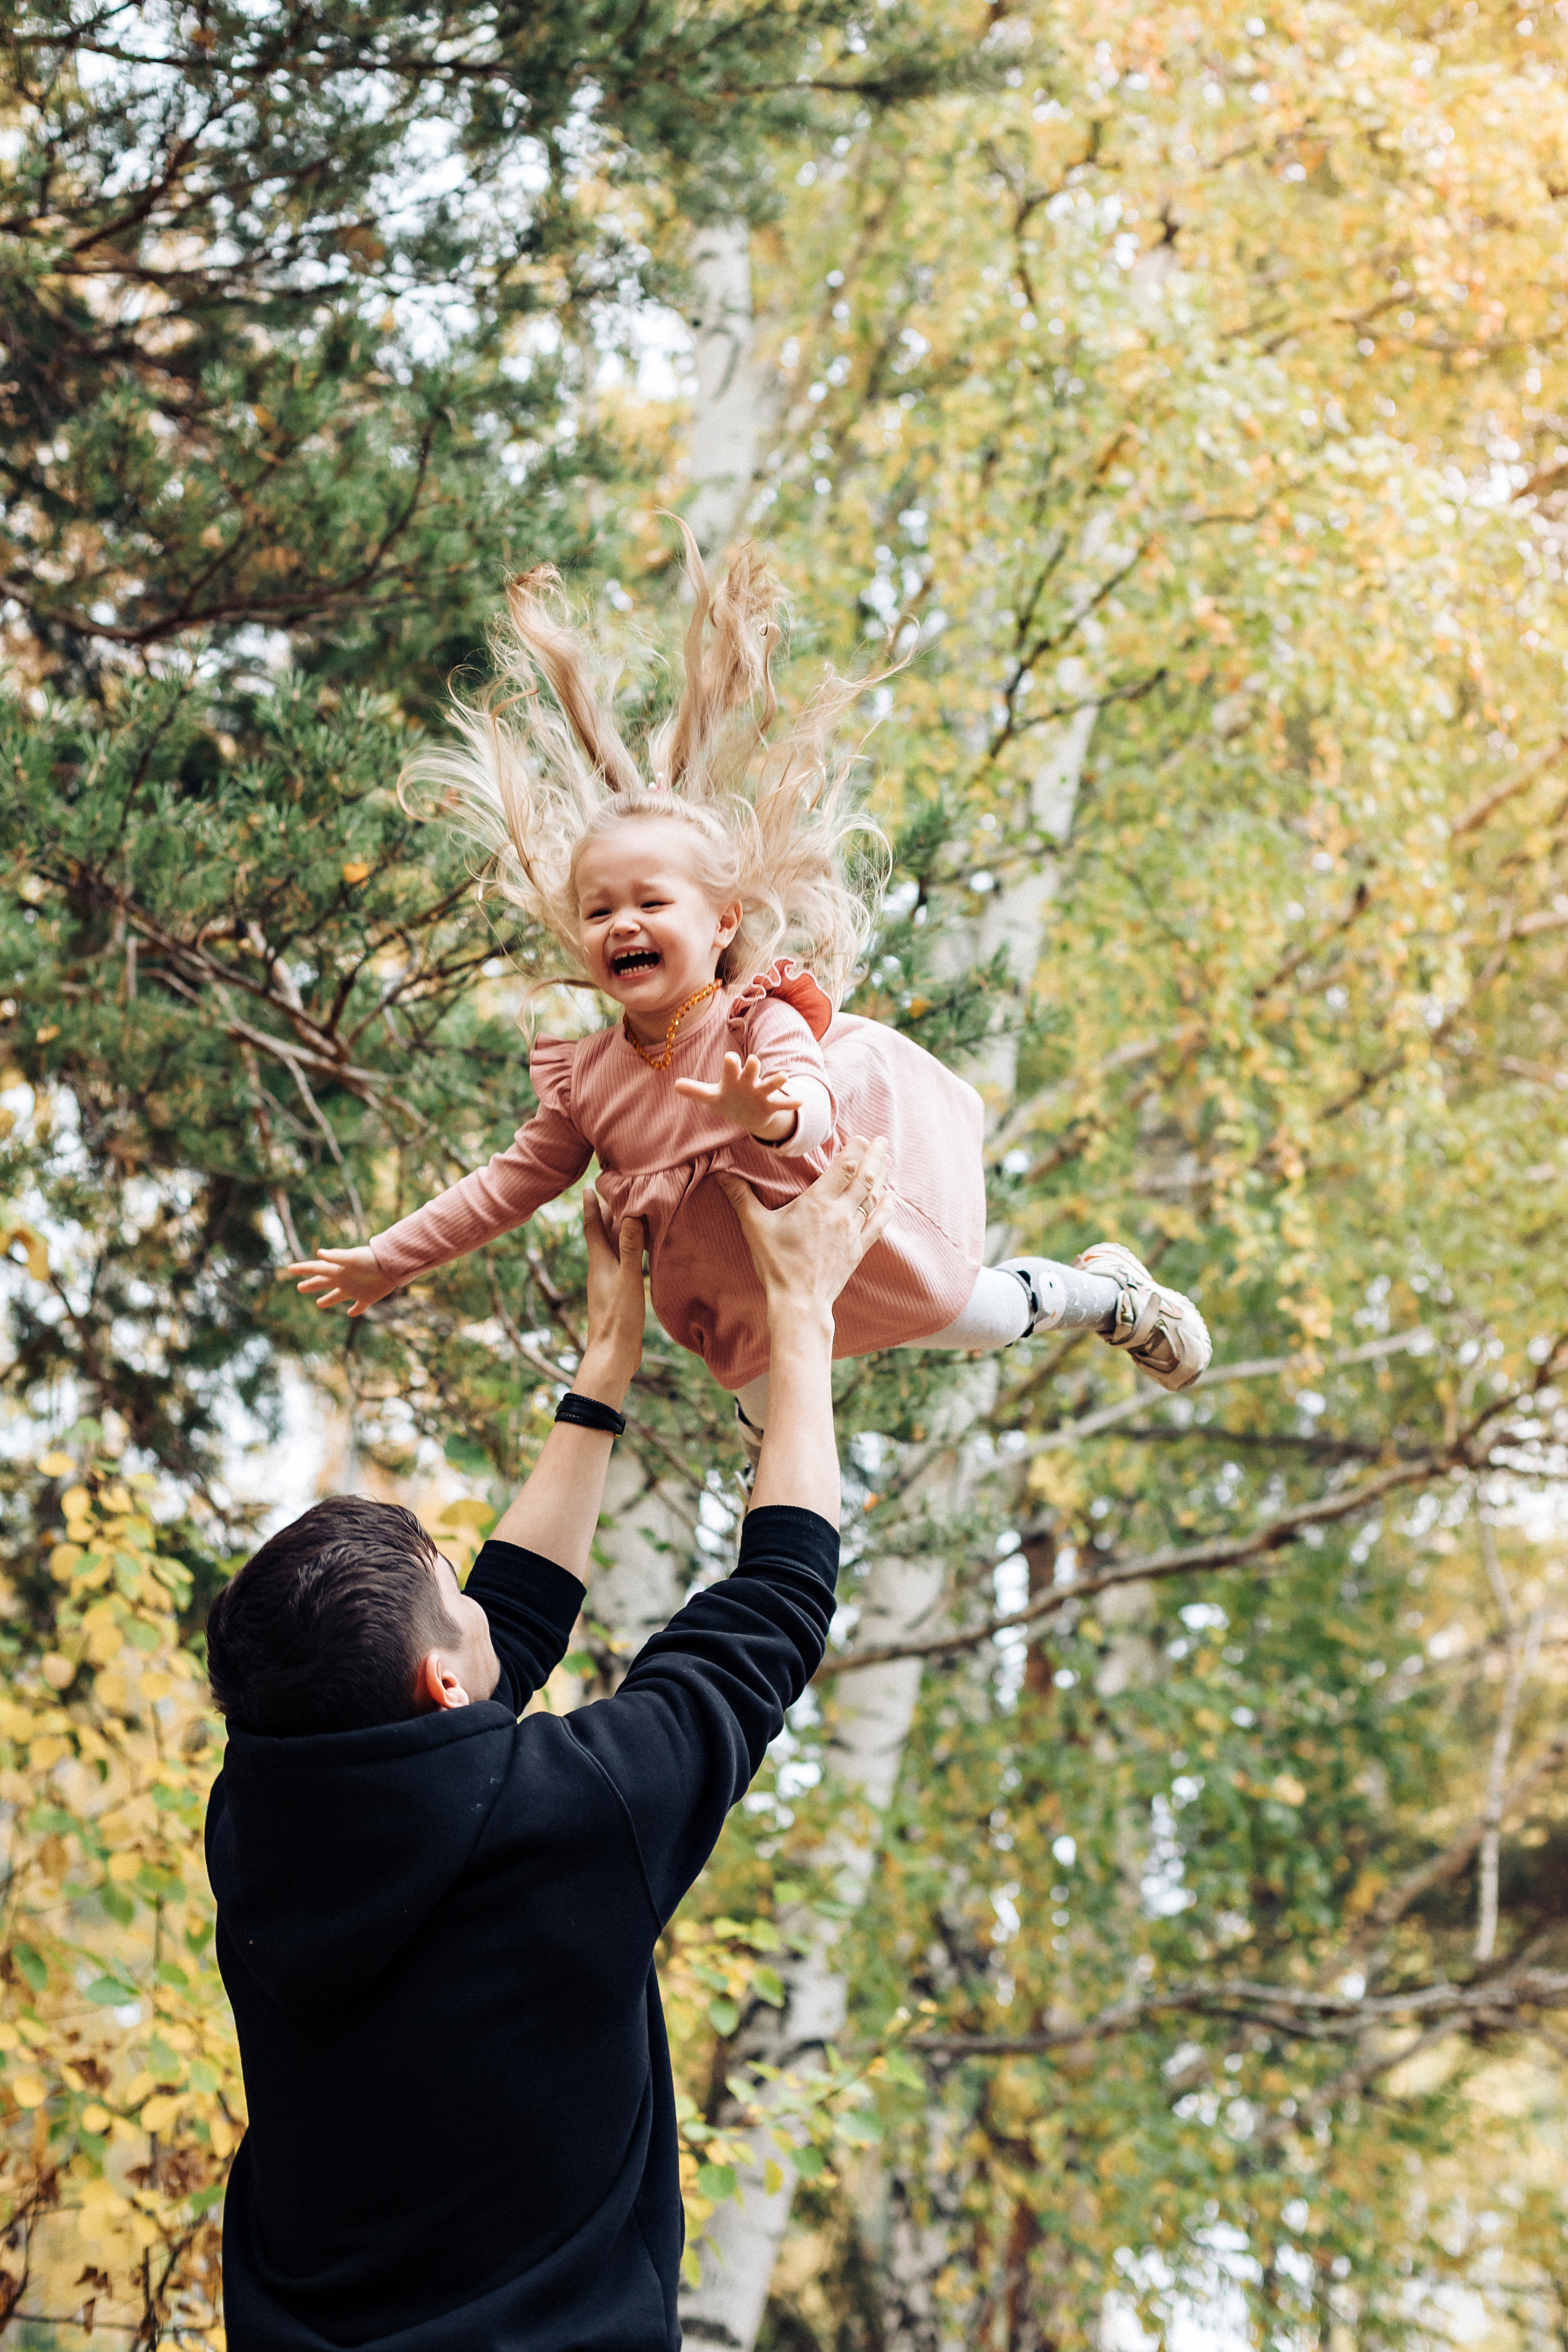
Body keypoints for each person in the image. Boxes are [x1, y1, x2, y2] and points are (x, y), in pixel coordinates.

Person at [282, 530, 1210, 1469]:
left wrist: (770, 1115)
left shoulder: (756, 1015)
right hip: (746, 1302)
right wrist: (390, 1257)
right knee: (771, 1411)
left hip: (854, 1242)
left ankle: (1107, 1297)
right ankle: (772, 1470)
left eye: (651, 903)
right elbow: (503, 1186)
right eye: (599, 910)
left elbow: (813, 1104)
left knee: (983, 1313)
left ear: (722, 922)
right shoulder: (585, 1082)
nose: (621, 923)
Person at [205, 1141, 895, 2351]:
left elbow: (490, 1649)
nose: (483, 1608)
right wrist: (803, 1315)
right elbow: (776, 1606)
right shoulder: (570, 1823)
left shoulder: (266, 1820)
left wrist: (604, 1364)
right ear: (440, 1682)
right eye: (457, 1598)